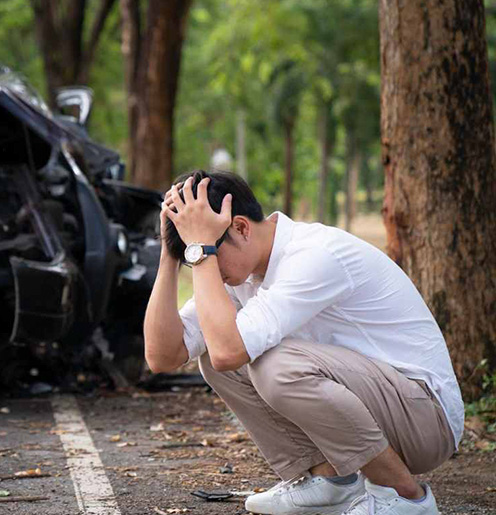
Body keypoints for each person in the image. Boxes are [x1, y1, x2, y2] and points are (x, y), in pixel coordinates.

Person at [143, 170, 463, 515]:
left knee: (271, 364)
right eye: (193, 258)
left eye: (204, 254)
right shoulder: (243, 272)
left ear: (240, 227)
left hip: (425, 417)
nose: (203, 266)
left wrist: (202, 249)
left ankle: (404, 498)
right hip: (384, 407)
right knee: (217, 353)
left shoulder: (312, 254)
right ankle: (327, 483)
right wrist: (170, 253)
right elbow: (163, 356)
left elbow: (228, 351)